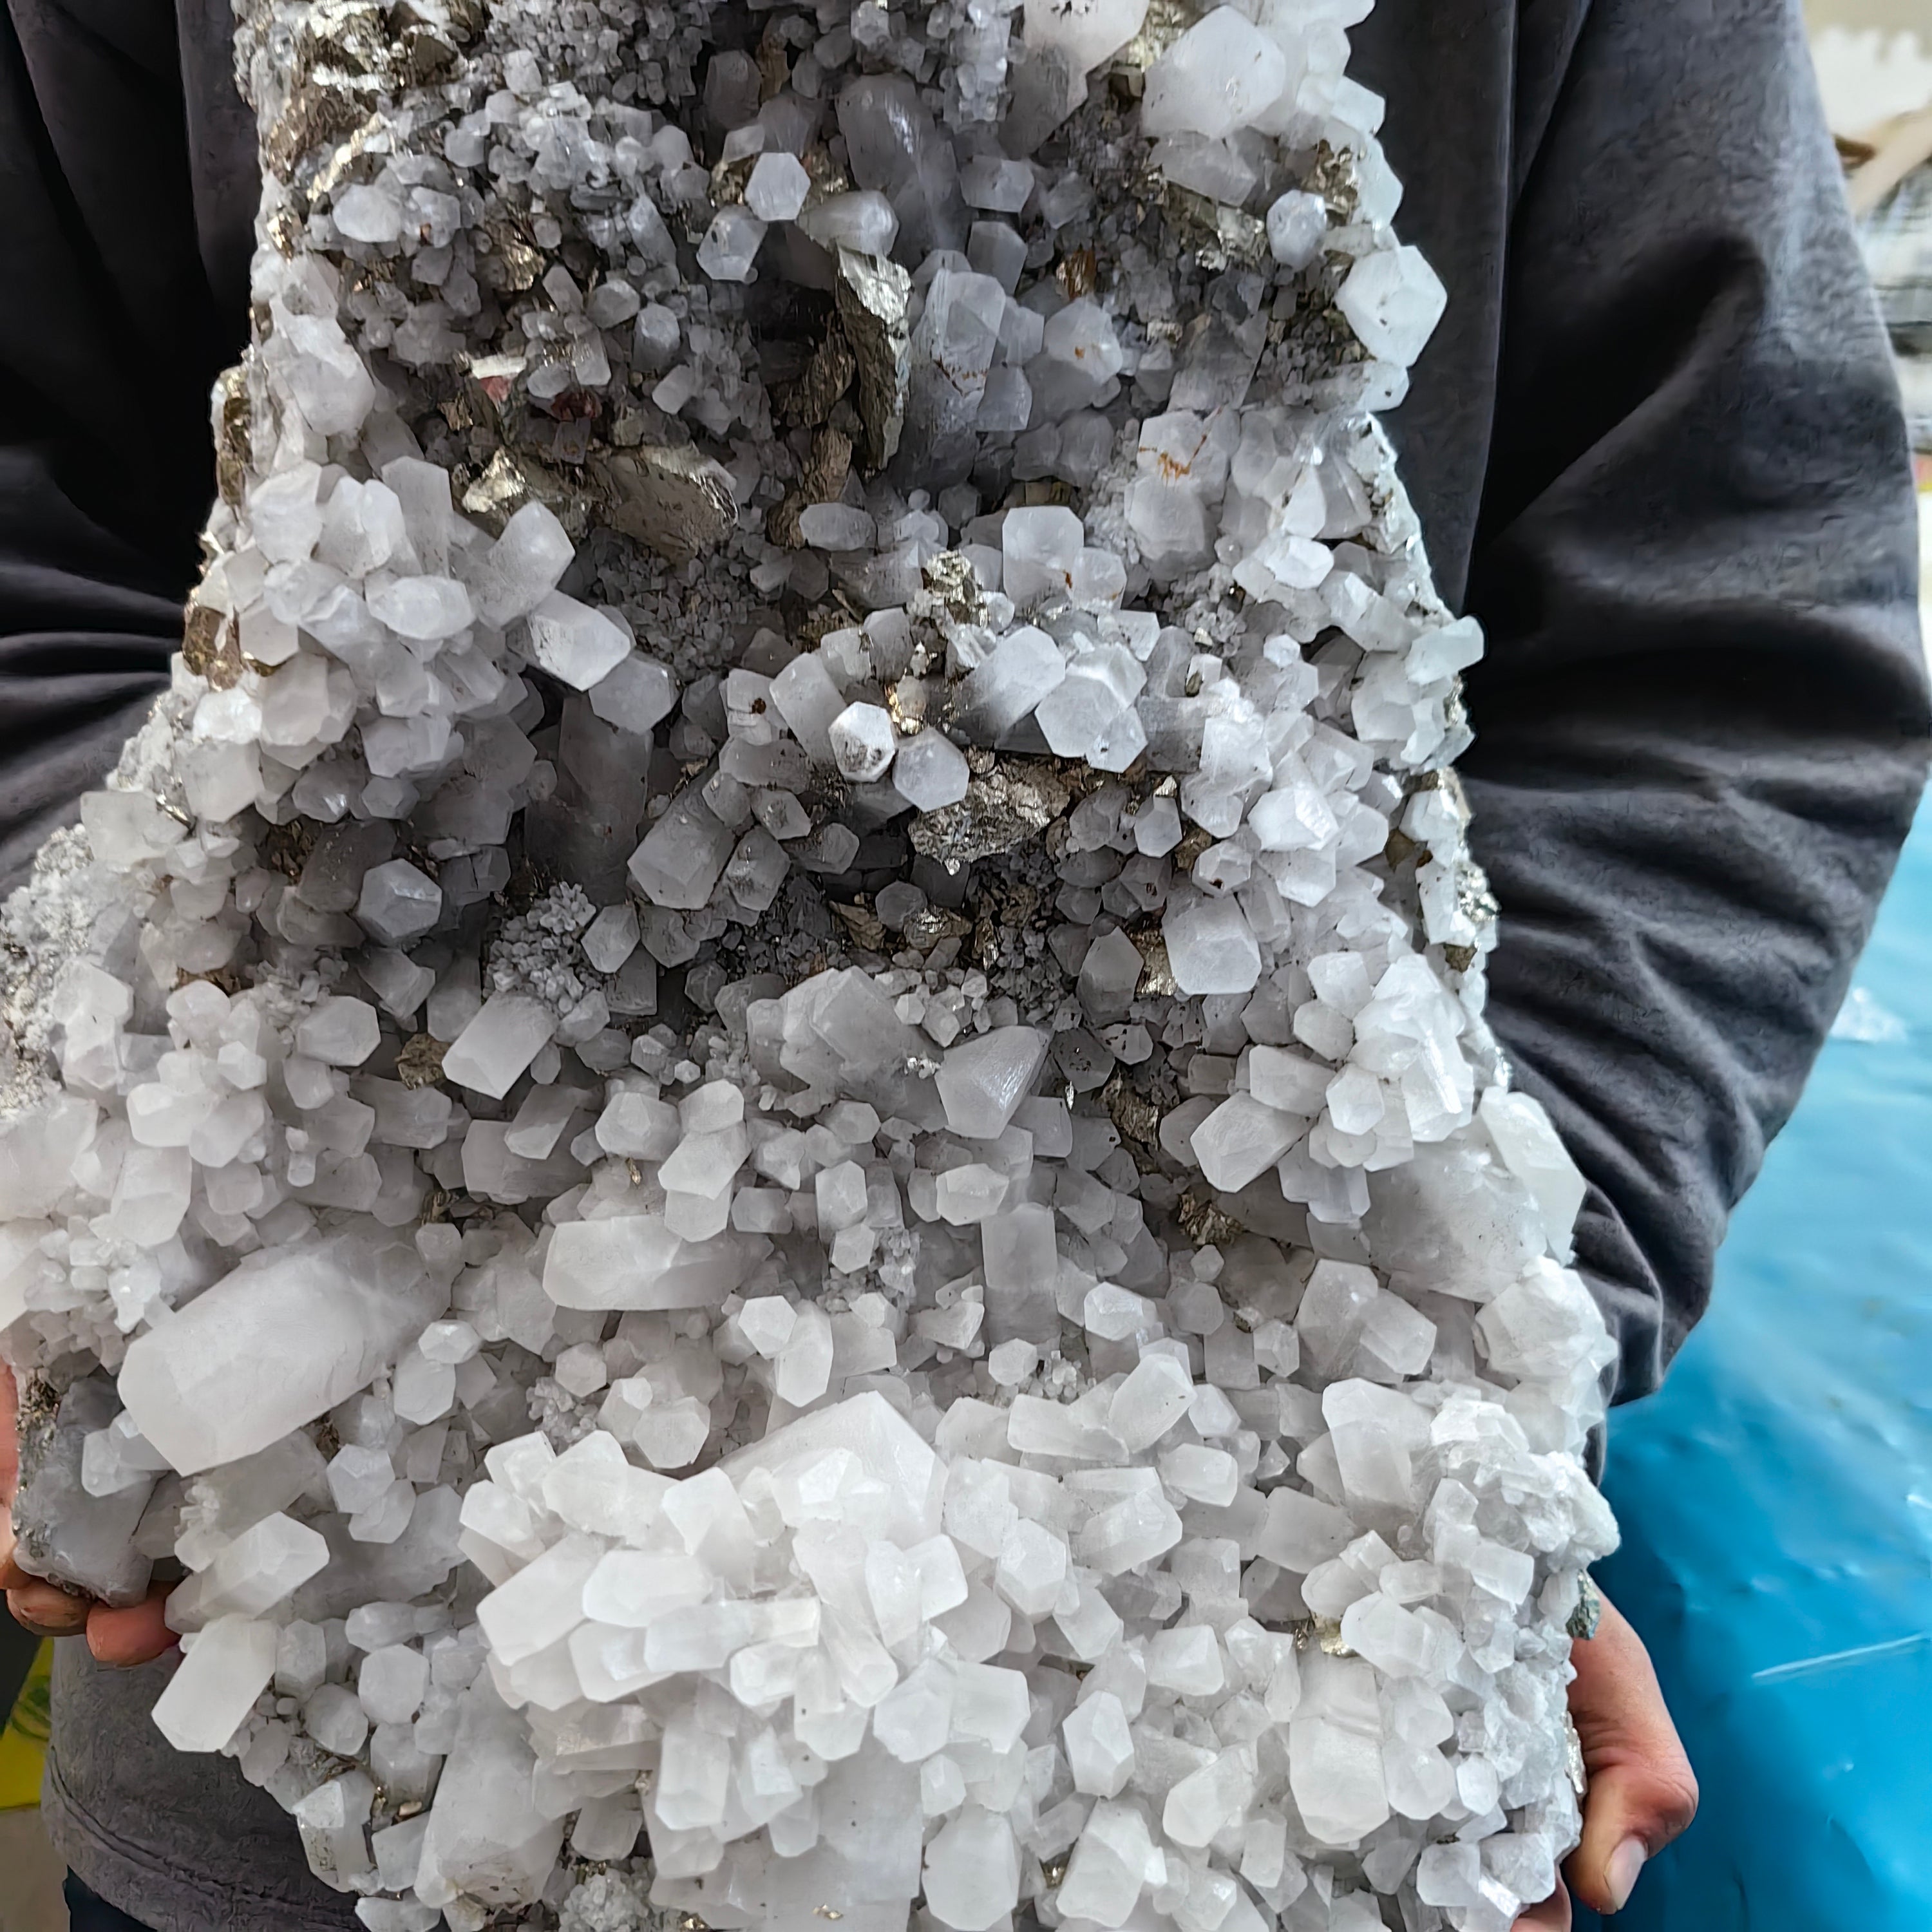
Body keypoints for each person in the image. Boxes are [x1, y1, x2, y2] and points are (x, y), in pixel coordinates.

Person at [0, 0, 1924, 1921]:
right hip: (284, 1714)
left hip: (1202, 1727)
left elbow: (1724, 649)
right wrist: (94, 1172)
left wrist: (1472, 1364)